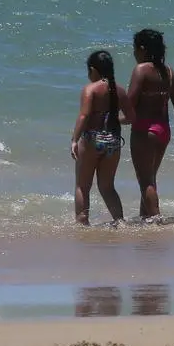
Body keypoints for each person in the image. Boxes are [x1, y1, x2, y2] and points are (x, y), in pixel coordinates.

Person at [128, 29, 174, 220]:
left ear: (143, 49)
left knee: (145, 180)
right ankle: (145, 219)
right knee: (150, 178)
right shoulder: (169, 73)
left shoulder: (141, 70)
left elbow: (130, 104)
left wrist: (111, 119)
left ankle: (155, 220)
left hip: (144, 130)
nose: (134, 54)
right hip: (163, 131)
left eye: (135, 49)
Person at [71, 50, 135, 225]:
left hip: (92, 139)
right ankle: (120, 222)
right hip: (113, 141)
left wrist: (74, 140)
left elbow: (84, 116)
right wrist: (114, 121)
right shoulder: (119, 90)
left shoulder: (90, 89)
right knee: (107, 187)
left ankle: (82, 222)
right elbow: (130, 117)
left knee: (83, 187)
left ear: (93, 70)